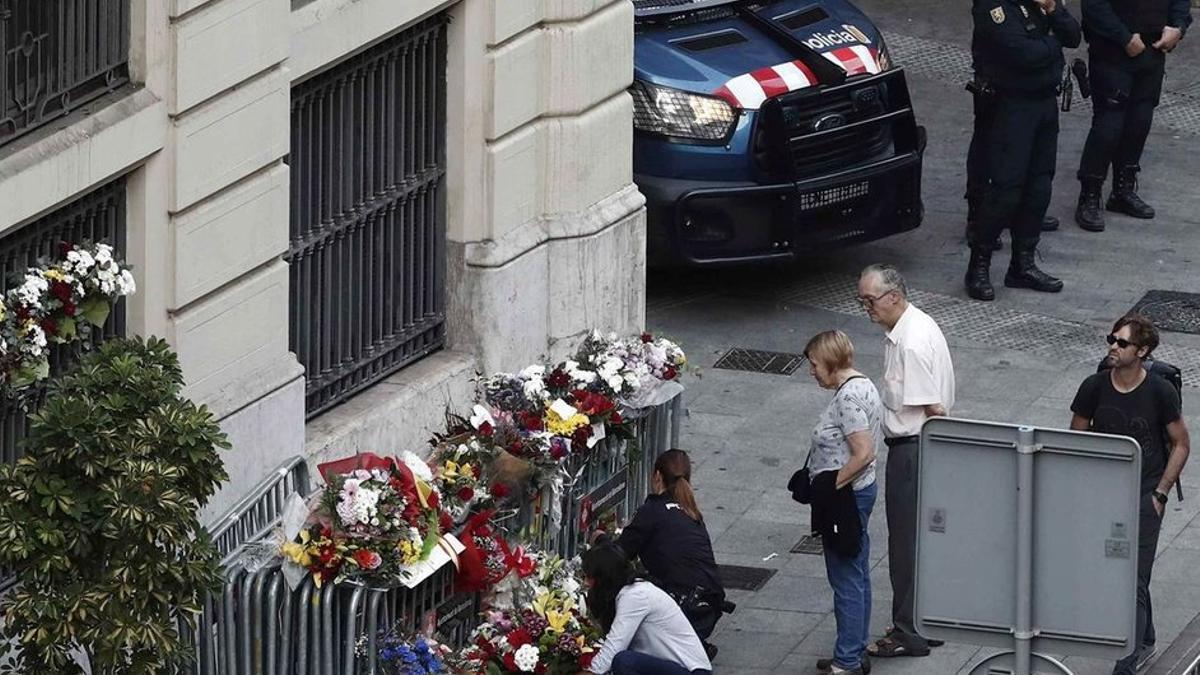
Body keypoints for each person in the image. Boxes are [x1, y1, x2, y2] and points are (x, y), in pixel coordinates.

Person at [1070, 315, 1190, 675]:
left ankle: (1128, 658)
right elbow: (1076, 439)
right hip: (1105, 496)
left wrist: (1161, 493)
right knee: (1122, 572)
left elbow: (1182, 443)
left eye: (1122, 343)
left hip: (1144, 495)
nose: (1113, 346)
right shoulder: (1093, 387)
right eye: (1112, 339)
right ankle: (1147, 635)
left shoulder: (1159, 392)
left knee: (1131, 577)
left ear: (1142, 351)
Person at [857, 265, 955, 660]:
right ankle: (925, 620)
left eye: (870, 300)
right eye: (861, 300)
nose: (866, 307)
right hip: (923, 447)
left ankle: (908, 631)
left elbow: (933, 407)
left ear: (894, 296)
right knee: (922, 540)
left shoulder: (910, 343)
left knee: (905, 543)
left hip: (913, 449)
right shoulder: (915, 327)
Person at [964, 0, 1081, 302]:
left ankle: (1022, 264)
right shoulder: (994, 6)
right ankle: (979, 266)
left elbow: (1073, 36)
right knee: (1005, 189)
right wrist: (1052, 44)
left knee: (1039, 186)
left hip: (1044, 104)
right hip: (1011, 107)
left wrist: (1054, 10)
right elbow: (1022, 54)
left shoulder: (1040, 3)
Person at [803, 330, 883, 675]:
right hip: (860, 492)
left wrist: (829, 487)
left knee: (846, 576)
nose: (812, 371)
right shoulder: (863, 384)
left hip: (846, 498)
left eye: (815, 364)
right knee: (858, 571)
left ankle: (847, 661)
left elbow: (863, 452)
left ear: (831, 362)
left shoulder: (848, 398)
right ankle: (854, 648)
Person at [1074, 0, 1192, 232]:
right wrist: (1123, 38)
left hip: (1152, 50)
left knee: (1139, 122)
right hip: (1113, 51)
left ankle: (1122, 190)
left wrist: (1177, 28)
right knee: (1109, 126)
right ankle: (1089, 196)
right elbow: (1093, 7)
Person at [615, 450, 725, 659]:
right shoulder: (691, 512)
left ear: (657, 477)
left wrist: (601, 540)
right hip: (710, 604)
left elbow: (619, 553)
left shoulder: (653, 511)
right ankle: (693, 645)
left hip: (686, 607)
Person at [581, 540, 713, 675]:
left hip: (692, 671)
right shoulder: (628, 593)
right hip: (672, 667)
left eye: (589, 577)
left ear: (604, 578)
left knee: (624, 661)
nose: (586, 583)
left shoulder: (635, 595)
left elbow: (615, 644)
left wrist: (591, 672)